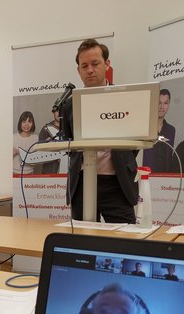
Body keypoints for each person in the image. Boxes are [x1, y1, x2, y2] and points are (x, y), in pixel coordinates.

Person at [61, 39, 138, 223]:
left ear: (107, 64)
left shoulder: (125, 99)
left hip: (117, 183)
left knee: (125, 241)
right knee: (82, 242)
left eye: (95, 64)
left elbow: (135, 142)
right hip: (81, 184)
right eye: (84, 66)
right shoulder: (69, 104)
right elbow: (69, 141)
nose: (90, 70)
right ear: (78, 70)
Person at [142, 89, 176, 172]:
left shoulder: (171, 130)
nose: (162, 106)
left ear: (169, 104)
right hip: (145, 177)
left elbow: (169, 158)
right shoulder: (145, 127)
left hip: (165, 179)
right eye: (159, 102)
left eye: (165, 103)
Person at [38, 105, 62, 174]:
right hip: (49, 170)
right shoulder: (46, 129)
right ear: (53, 112)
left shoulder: (70, 128)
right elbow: (39, 149)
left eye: (62, 111)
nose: (59, 113)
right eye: (57, 111)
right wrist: (46, 145)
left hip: (67, 170)